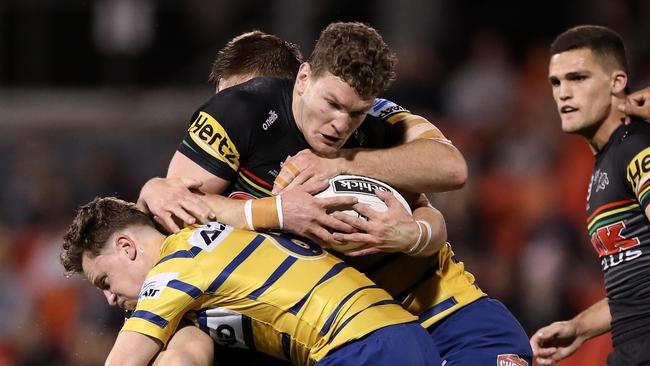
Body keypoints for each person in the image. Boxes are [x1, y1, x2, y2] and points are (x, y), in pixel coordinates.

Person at [139, 24, 532, 365]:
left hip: (441, 315)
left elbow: (449, 174)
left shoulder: (378, 125)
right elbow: (176, 220)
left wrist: (345, 166)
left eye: (354, 112)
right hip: (353, 333)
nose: (340, 123)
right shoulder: (237, 124)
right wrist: (275, 212)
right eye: (332, 105)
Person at [60, 196, 441, 366]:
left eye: (104, 280)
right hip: (404, 336)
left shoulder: (174, 270)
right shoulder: (209, 238)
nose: (109, 298)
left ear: (127, 247)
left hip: (360, 349)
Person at [530, 25, 650, 366]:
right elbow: (635, 285)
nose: (563, 93)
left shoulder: (637, 147)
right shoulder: (604, 163)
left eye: (578, 78)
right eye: (556, 82)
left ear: (617, 82)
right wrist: (580, 328)